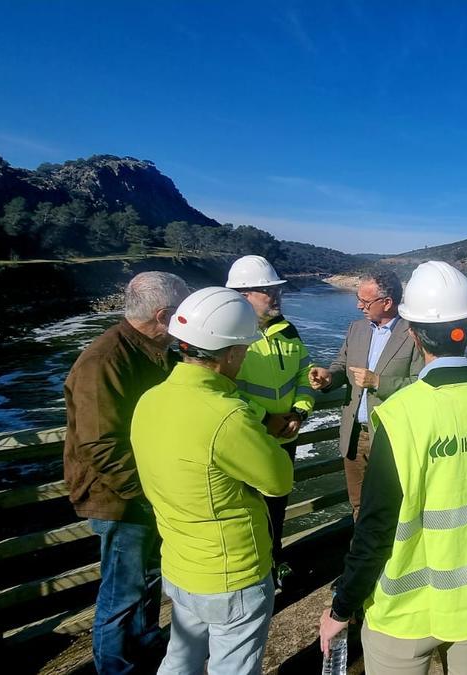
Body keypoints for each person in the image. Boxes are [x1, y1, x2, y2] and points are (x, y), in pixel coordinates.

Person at [318, 261, 467, 675]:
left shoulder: (401, 416)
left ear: (412, 332)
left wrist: (341, 608)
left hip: (406, 615)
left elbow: (375, 530)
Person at [131, 287, 294, 675]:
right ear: (233, 353)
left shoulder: (150, 399)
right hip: (230, 570)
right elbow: (279, 480)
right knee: (233, 667)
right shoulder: (227, 415)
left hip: (180, 562)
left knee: (180, 657)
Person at [63, 271, 189, 674]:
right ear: (163, 314)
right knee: (122, 593)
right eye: (182, 312)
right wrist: (150, 492)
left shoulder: (149, 352)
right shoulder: (104, 360)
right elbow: (100, 445)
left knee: (147, 579)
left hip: (141, 494)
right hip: (120, 498)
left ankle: (145, 647)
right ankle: (115, 668)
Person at [224, 254, 315, 584]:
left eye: (277, 290)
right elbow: (222, 387)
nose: (276, 296)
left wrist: (300, 411)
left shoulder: (287, 331)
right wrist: (265, 419)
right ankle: (249, 573)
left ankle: (273, 562)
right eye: (268, 291)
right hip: (247, 439)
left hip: (284, 438)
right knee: (245, 510)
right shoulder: (229, 335)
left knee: (277, 505)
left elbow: (305, 373)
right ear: (243, 295)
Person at [308, 268, 423, 520]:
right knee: (358, 505)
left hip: (391, 435)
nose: (359, 306)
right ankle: (362, 555)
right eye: (358, 299)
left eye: (365, 301)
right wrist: (328, 377)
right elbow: (341, 366)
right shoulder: (356, 329)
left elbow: (421, 386)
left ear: (387, 302)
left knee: (393, 504)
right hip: (355, 436)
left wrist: (378, 381)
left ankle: (391, 557)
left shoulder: (413, 334)